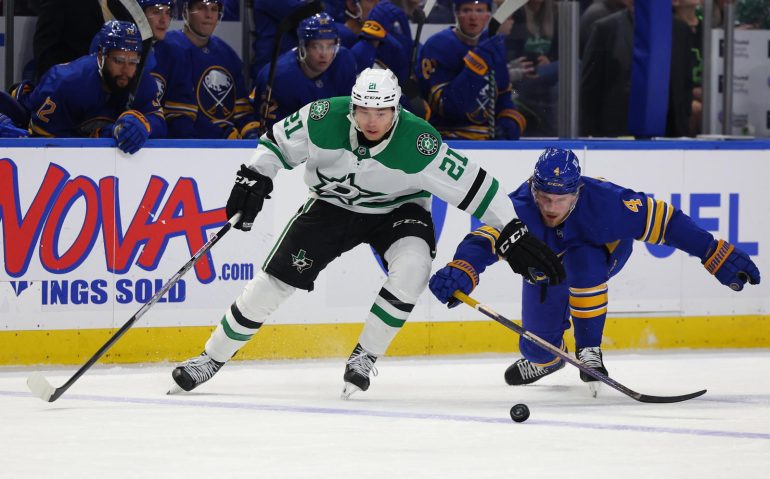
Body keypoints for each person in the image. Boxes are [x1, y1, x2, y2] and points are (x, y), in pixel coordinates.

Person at [168, 68, 565, 398]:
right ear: (352, 107)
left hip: (399, 211)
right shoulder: (322, 117)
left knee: (412, 269)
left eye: (382, 111)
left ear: (396, 109)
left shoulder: (419, 143)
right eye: (364, 110)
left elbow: (479, 187)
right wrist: (254, 176)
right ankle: (210, 358)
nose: (372, 120)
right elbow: (275, 145)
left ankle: (365, 358)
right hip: (331, 207)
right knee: (272, 285)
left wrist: (513, 232)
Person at [429, 148, 761, 391]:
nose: (551, 207)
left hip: (602, 257)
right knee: (537, 350)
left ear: (578, 191)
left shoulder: (608, 202)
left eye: (561, 199)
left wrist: (712, 252)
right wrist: (463, 267)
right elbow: (483, 240)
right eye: (544, 197)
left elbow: (667, 222)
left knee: (582, 261)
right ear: (533, 188)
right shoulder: (518, 206)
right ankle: (549, 358)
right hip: (545, 270)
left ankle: (589, 349)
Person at [23, 20, 166, 154]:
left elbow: (159, 122)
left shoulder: (142, 80)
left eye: (133, 61)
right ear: (100, 56)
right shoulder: (66, 82)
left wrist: (144, 125)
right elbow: (41, 143)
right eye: (119, 60)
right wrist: (98, 136)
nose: (126, 69)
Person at [417, 0, 525, 140]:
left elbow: (503, 95)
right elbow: (447, 107)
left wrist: (510, 122)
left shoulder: (492, 44)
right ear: (456, 14)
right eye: (467, 10)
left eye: (479, 10)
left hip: (488, 141)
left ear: (488, 16)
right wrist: (476, 64)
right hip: (447, 139)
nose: (473, 17)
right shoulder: (438, 45)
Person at [164, 0, 259, 139]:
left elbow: (241, 110)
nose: (209, 15)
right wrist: (221, 134)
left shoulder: (228, 55)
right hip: (182, 145)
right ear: (186, 11)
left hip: (226, 146)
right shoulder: (168, 48)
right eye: (201, 8)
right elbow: (175, 116)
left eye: (214, 9)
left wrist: (250, 131)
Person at [252, 12, 357, 131]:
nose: (324, 54)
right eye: (316, 46)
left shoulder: (345, 61)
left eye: (330, 46)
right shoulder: (277, 76)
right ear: (302, 46)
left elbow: (348, 115)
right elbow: (273, 134)